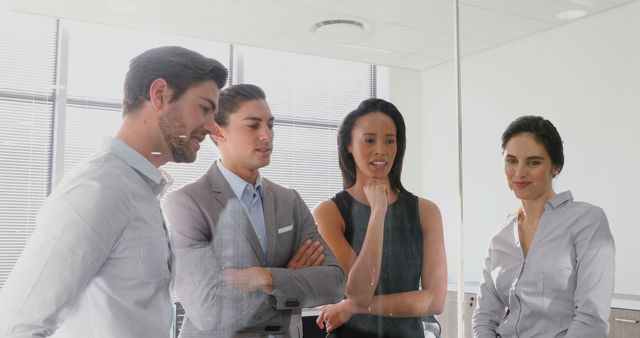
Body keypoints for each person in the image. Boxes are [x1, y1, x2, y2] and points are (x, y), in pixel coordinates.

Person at [0, 46, 228, 337]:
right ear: (160, 95)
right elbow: (16, 326)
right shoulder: (99, 188)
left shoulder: (141, 190)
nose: (211, 127)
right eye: (205, 109)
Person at [162, 83, 345, 338]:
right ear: (217, 131)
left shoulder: (289, 201)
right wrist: (289, 282)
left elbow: (334, 283)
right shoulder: (187, 203)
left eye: (270, 124)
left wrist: (267, 278)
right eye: (253, 125)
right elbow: (210, 311)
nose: (266, 135)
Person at [312, 98, 447, 338]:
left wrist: (352, 307)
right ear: (349, 145)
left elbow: (434, 301)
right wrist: (378, 212)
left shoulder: (427, 212)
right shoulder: (328, 213)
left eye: (389, 141)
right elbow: (359, 291)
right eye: (369, 140)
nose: (381, 150)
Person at [472, 115, 615, 337]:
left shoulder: (588, 221)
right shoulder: (499, 236)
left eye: (534, 162)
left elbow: (591, 319)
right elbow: (484, 317)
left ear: (555, 167)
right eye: (511, 160)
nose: (519, 172)